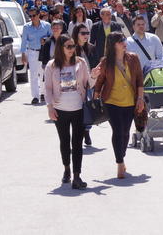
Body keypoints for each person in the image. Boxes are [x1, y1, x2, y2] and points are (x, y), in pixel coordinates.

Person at [94, 32, 145, 179]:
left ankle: (121, 154)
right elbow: (99, 82)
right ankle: (120, 162)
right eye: (120, 41)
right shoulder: (105, 62)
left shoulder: (133, 58)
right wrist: (95, 99)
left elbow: (139, 80)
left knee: (125, 132)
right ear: (113, 45)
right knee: (117, 131)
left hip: (130, 102)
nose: (124, 42)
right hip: (111, 102)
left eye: (124, 39)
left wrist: (140, 98)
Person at [44, 34, 90, 190]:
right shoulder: (51, 66)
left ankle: (77, 175)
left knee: (77, 143)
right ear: (60, 49)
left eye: (73, 46)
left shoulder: (81, 63)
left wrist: (95, 76)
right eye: (68, 47)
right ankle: (67, 169)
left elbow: (87, 83)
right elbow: (48, 88)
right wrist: (50, 107)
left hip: (78, 109)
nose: (72, 49)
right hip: (60, 109)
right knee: (64, 142)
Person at [72, 23, 100, 146]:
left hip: (91, 82)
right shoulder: (71, 48)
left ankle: (87, 132)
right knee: (78, 110)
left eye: (87, 33)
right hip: (76, 84)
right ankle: (80, 134)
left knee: (89, 108)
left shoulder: (92, 48)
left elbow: (97, 65)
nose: (86, 36)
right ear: (76, 34)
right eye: (83, 33)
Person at [21, 7, 52, 104]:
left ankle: (43, 93)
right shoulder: (26, 27)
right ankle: (35, 96)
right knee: (33, 74)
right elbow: (24, 41)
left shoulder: (46, 25)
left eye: (34, 15)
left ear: (39, 15)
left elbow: (51, 37)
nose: (32, 18)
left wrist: (45, 39)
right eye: (30, 16)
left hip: (43, 52)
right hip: (32, 52)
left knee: (43, 73)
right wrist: (23, 54)